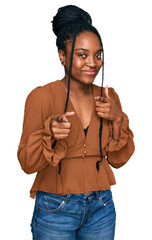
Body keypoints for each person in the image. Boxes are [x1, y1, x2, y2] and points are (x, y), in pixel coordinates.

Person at [17, 4, 135, 240]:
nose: (92, 63)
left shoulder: (109, 97)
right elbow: (27, 163)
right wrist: (49, 132)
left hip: (101, 206)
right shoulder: (41, 97)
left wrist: (117, 119)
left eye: (98, 55)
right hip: (54, 208)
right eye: (82, 55)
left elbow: (119, 160)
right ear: (62, 55)